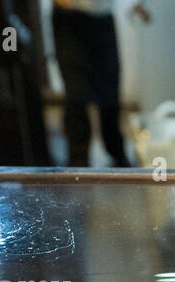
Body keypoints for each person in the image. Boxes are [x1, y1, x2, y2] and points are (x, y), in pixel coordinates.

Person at [51, 1, 150, 166]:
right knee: (76, 94)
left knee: (110, 94)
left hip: (102, 16)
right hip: (68, 20)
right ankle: (77, 162)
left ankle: (117, 154)